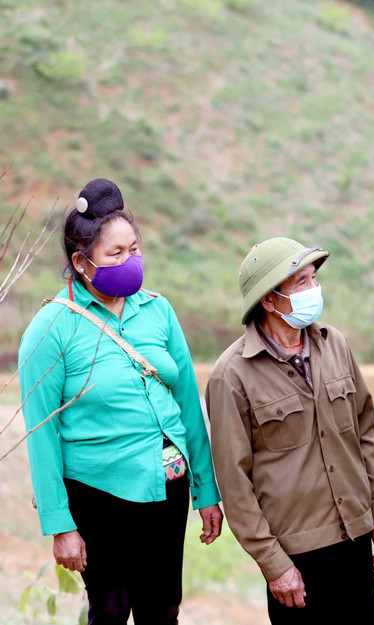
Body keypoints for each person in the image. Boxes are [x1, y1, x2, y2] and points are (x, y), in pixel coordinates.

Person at [18, 178, 223, 625]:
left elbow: (189, 404)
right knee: (110, 611)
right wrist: (60, 524)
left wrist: (205, 490)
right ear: (81, 261)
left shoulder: (158, 311)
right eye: (116, 253)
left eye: (134, 249)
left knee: (163, 609)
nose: (130, 261)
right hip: (98, 496)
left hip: (167, 491)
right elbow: (41, 432)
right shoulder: (52, 327)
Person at [205, 237, 374, 624]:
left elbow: (365, 433)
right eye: (301, 283)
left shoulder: (335, 344)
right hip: (296, 555)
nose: (314, 290)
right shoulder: (232, 376)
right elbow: (234, 481)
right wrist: (274, 564)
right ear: (269, 300)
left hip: (355, 537)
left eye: (314, 279)